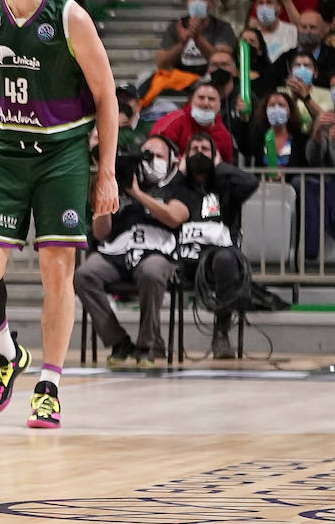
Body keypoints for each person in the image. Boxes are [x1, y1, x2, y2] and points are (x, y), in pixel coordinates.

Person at [0, 0, 119, 429]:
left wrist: (106, 172)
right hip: (1, 151)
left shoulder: (69, 17)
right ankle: (5, 353)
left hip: (62, 153)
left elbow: (107, 96)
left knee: (57, 273)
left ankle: (48, 385)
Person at [75, 135, 192, 367]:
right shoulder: (120, 182)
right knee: (84, 275)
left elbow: (174, 218)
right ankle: (119, 341)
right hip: (118, 251)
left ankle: (147, 344)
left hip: (157, 251)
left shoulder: (179, 185)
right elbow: (100, 233)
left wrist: (137, 193)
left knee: (151, 272)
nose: (152, 160)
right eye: (147, 155)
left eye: (159, 156)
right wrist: (104, 190)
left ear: (172, 160)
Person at [178, 133, 258, 359]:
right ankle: (150, 341)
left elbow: (251, 183)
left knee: (226, 260)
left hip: (219, 257)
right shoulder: (180, 186)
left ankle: (221, 332)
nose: (200, 153)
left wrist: (219, 165)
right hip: (185, 257)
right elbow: (163, 194)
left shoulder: (226, 187)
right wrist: (179, 172)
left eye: (205, 149)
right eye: (194, 149)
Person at [151, 82, 236, 164]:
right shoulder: (173, 121)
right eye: (201, 98)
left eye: (211, 99)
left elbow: (226, 168)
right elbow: (155, 149)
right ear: (192, 100)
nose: (206, 103)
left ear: (219, 105)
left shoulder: (224, 136)